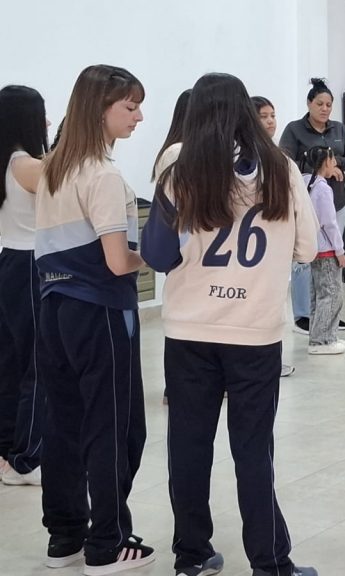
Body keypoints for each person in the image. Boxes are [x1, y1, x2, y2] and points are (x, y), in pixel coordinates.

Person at [141, 72, 319, 576]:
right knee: (252, 451)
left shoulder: (179, 167)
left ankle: (191, 555)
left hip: (189, 331)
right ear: (246, 109)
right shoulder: (280, 168)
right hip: (254, 332)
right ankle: (270, 562)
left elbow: (156, 254)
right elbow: (306, 248)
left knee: (189, 446)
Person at [35, 64, 154, 574]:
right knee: (116, 427)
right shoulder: (103, 175)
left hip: (53, 308)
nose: (139, 116)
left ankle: (65, 537)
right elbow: (116, 261)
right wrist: (156, 253)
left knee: (63, 422)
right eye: (129, 107)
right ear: (99, 108)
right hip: (101, 310)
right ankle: (108, 542)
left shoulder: (55, 171)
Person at [279, 78, 345, 335]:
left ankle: (328, 312)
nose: (325, 109)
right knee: (304, 259)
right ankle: (303, 315)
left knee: (332, 256)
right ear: (309, 104)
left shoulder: (338, 129)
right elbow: (285, 162)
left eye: (328, 105)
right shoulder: (294, 130)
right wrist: (318, 170)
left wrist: (336, 166)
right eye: (320, 104)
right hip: (307, 204)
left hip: (335, 201)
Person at [0, 85, 48, 487]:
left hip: (8, 261)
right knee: (38, 363)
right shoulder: (30, 166)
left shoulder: (7, 162)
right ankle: (27, 459)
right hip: (32, 263)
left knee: (10, 362)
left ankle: (8, 448)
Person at [252, 95, 297, 377]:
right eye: (263, 116)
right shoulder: (263, 162)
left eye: (272, 115)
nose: (270, 121)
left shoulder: (280, 159)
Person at [302, 146, 345, 355]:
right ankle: (322, 340)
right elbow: (330, 223)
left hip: (314, 248)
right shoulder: (323, 189)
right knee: (331, 294)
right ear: (326, 163)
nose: (335, 164)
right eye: (332, 161)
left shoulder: (306, 184)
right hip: (327, 249)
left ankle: (319, 335)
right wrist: (340, 250)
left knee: (318, 295)